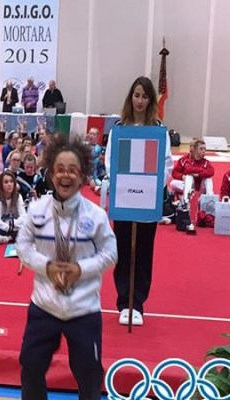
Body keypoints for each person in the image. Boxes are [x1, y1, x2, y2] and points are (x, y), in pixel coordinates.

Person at [16, 134, 117, 400]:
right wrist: (46, 267)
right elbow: (23, 246)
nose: (65, 175)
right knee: (31, 367)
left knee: (90, 376)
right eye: (60, 169)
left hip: (84, 309)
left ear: (82, 176)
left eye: (72, 170)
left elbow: (111, 253)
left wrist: (80, 270)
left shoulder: (96, 216)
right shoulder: (36, 210)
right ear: (51, 174)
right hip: (44, 306)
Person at [105, 76, 173, 326]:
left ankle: (138, 304)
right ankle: (124, 303)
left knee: (143, 251)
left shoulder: (159, 131)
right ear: (130, 97)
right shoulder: (119, 129)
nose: (140, 101)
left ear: (150, 99)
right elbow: (110, 162)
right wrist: (122, 186)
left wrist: (152, 188)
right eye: (136, 95)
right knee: (123, 249)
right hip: (124, 198)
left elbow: (166, 164)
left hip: (147, 200)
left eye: (145, 96)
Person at [169, 138, 215, 203]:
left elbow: (211, 171)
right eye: (191, 146)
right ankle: (186, 200)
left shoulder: (206, 162)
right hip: (187, 184)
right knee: (186, 178)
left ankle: (210, 199)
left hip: (199, 186)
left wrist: (199, 174)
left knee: (208, 178)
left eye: (204, 149)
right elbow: (177, 172)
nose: (203, 151)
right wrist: (182, 176)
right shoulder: (184, 160)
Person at [0, 171, 26, 244]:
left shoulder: (18, 197)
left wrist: (13, 224)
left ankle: (7, 238)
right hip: (3, 226)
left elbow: (24, 216)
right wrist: (8, 227)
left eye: (11, 181)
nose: (9, 184)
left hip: (15, 224)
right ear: (1, 185)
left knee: (27, 228)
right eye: (6, 182)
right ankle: (11, 237)